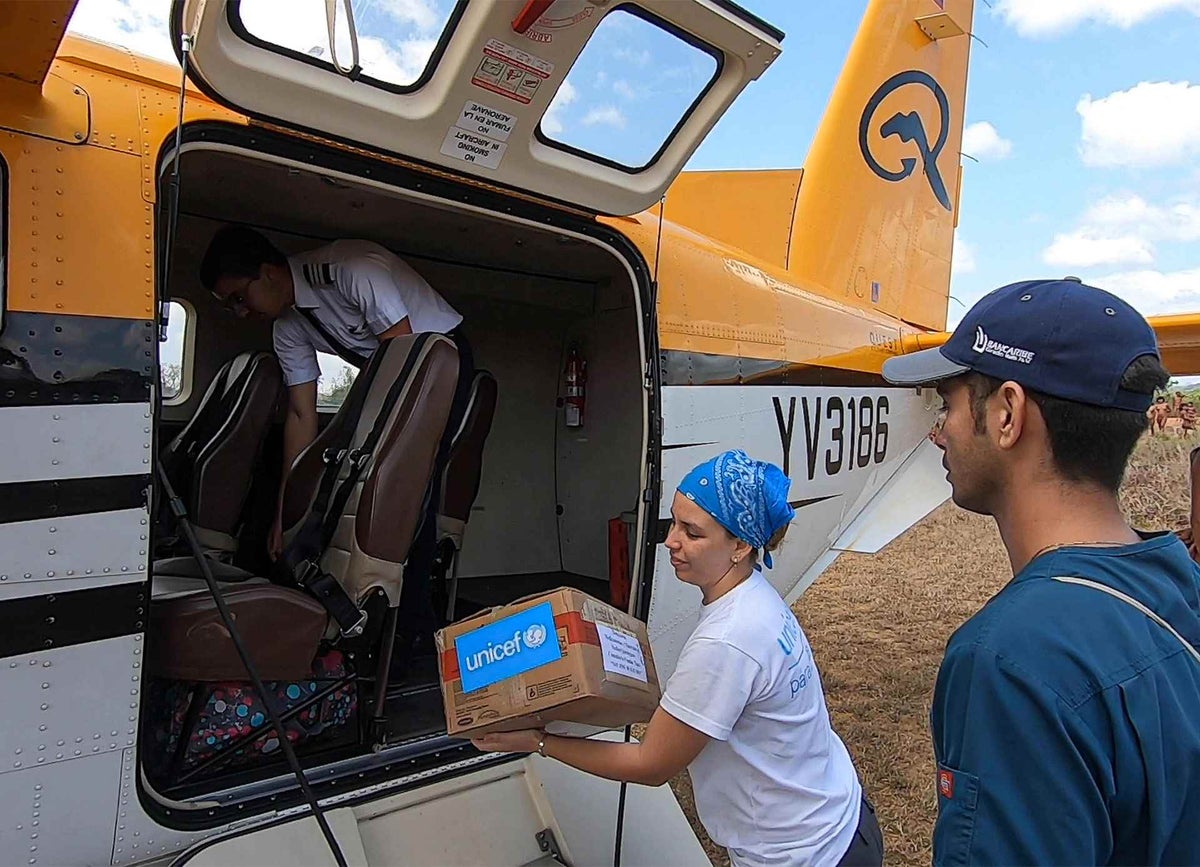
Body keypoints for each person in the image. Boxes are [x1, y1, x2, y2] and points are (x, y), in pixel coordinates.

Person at [882, 277, 1200, 865]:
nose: (938, 432)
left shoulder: (1011, 661)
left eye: (947, 404)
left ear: (1007, 413)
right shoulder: (1179, 582)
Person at [472, 450, 883, 867]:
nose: (670, 540)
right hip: (842, 820)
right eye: (673, 522)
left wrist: (539, 742)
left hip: (808, 855)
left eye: (692, 532)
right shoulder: (755, 599)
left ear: (740, 545)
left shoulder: (727, 640)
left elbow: (651, 765)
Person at [200, 226, 473, 651]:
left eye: (239, 298)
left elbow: (403, 360)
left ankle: (414, 632)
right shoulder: (287, 327)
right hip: (390, 369)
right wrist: (284, 514)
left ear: (269, 273)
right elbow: (300, 414)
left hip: (436, 360)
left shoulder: (349, 270)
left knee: (404, 490)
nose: (240, 312)